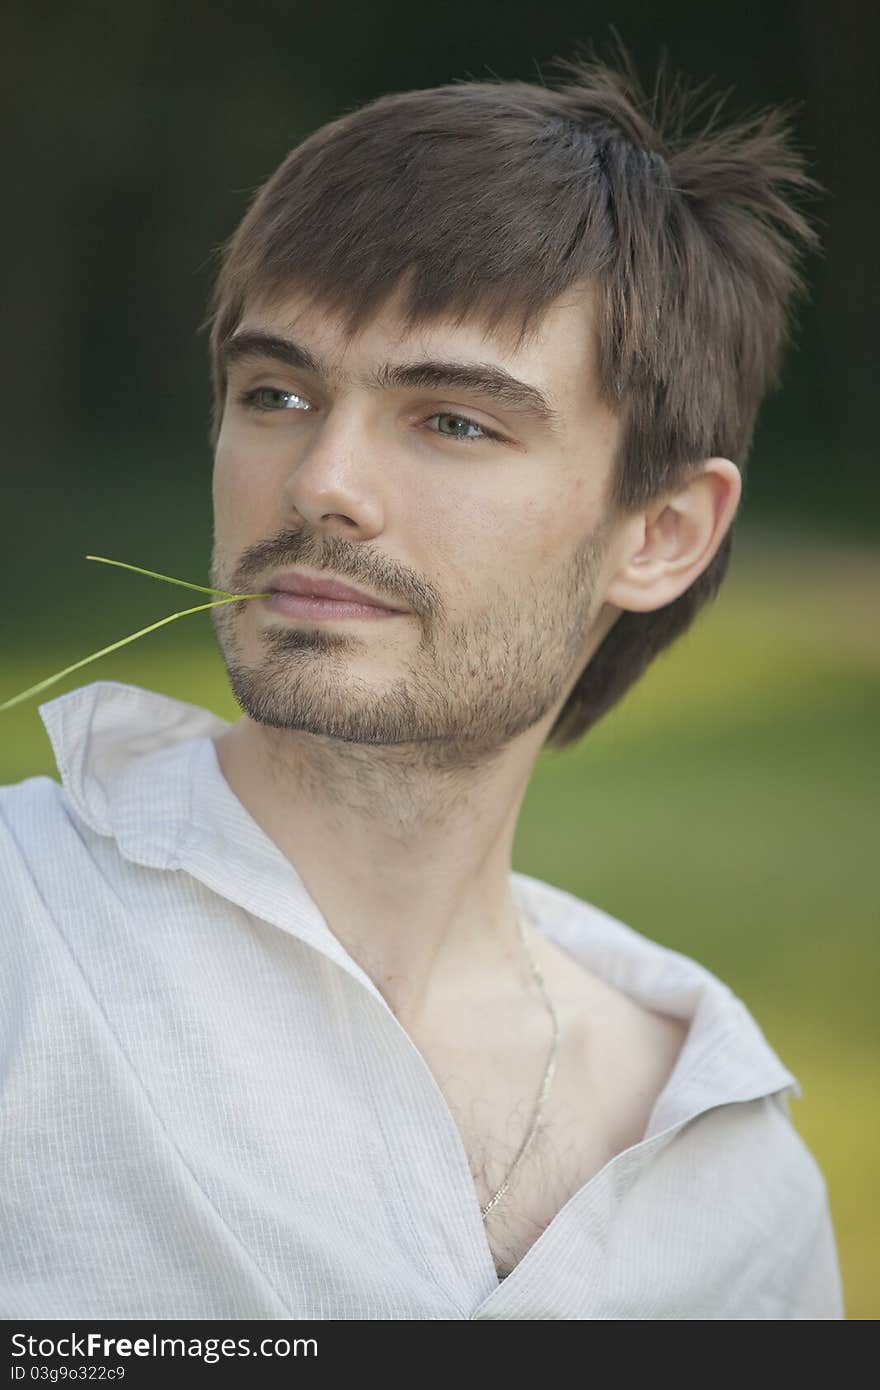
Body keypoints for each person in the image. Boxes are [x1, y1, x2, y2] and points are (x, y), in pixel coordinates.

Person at [0, 41, 845, 1320]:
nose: (321, 481)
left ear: (660, 531)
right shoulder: (25, 941)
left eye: (453, 419)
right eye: (276, 392)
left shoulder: (733, 1183)